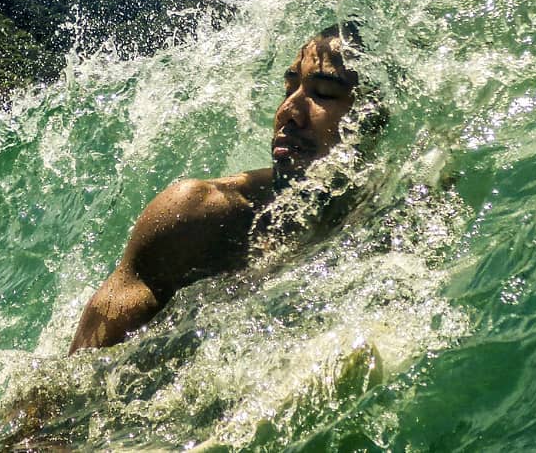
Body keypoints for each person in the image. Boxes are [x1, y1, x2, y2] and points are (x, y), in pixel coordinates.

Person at [69, 21, 376, 353]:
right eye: (289, 91)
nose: (288, 112)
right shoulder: (198, 213)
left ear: (373, 117)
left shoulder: (384, 215)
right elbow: (65, 383)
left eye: (324, 94)